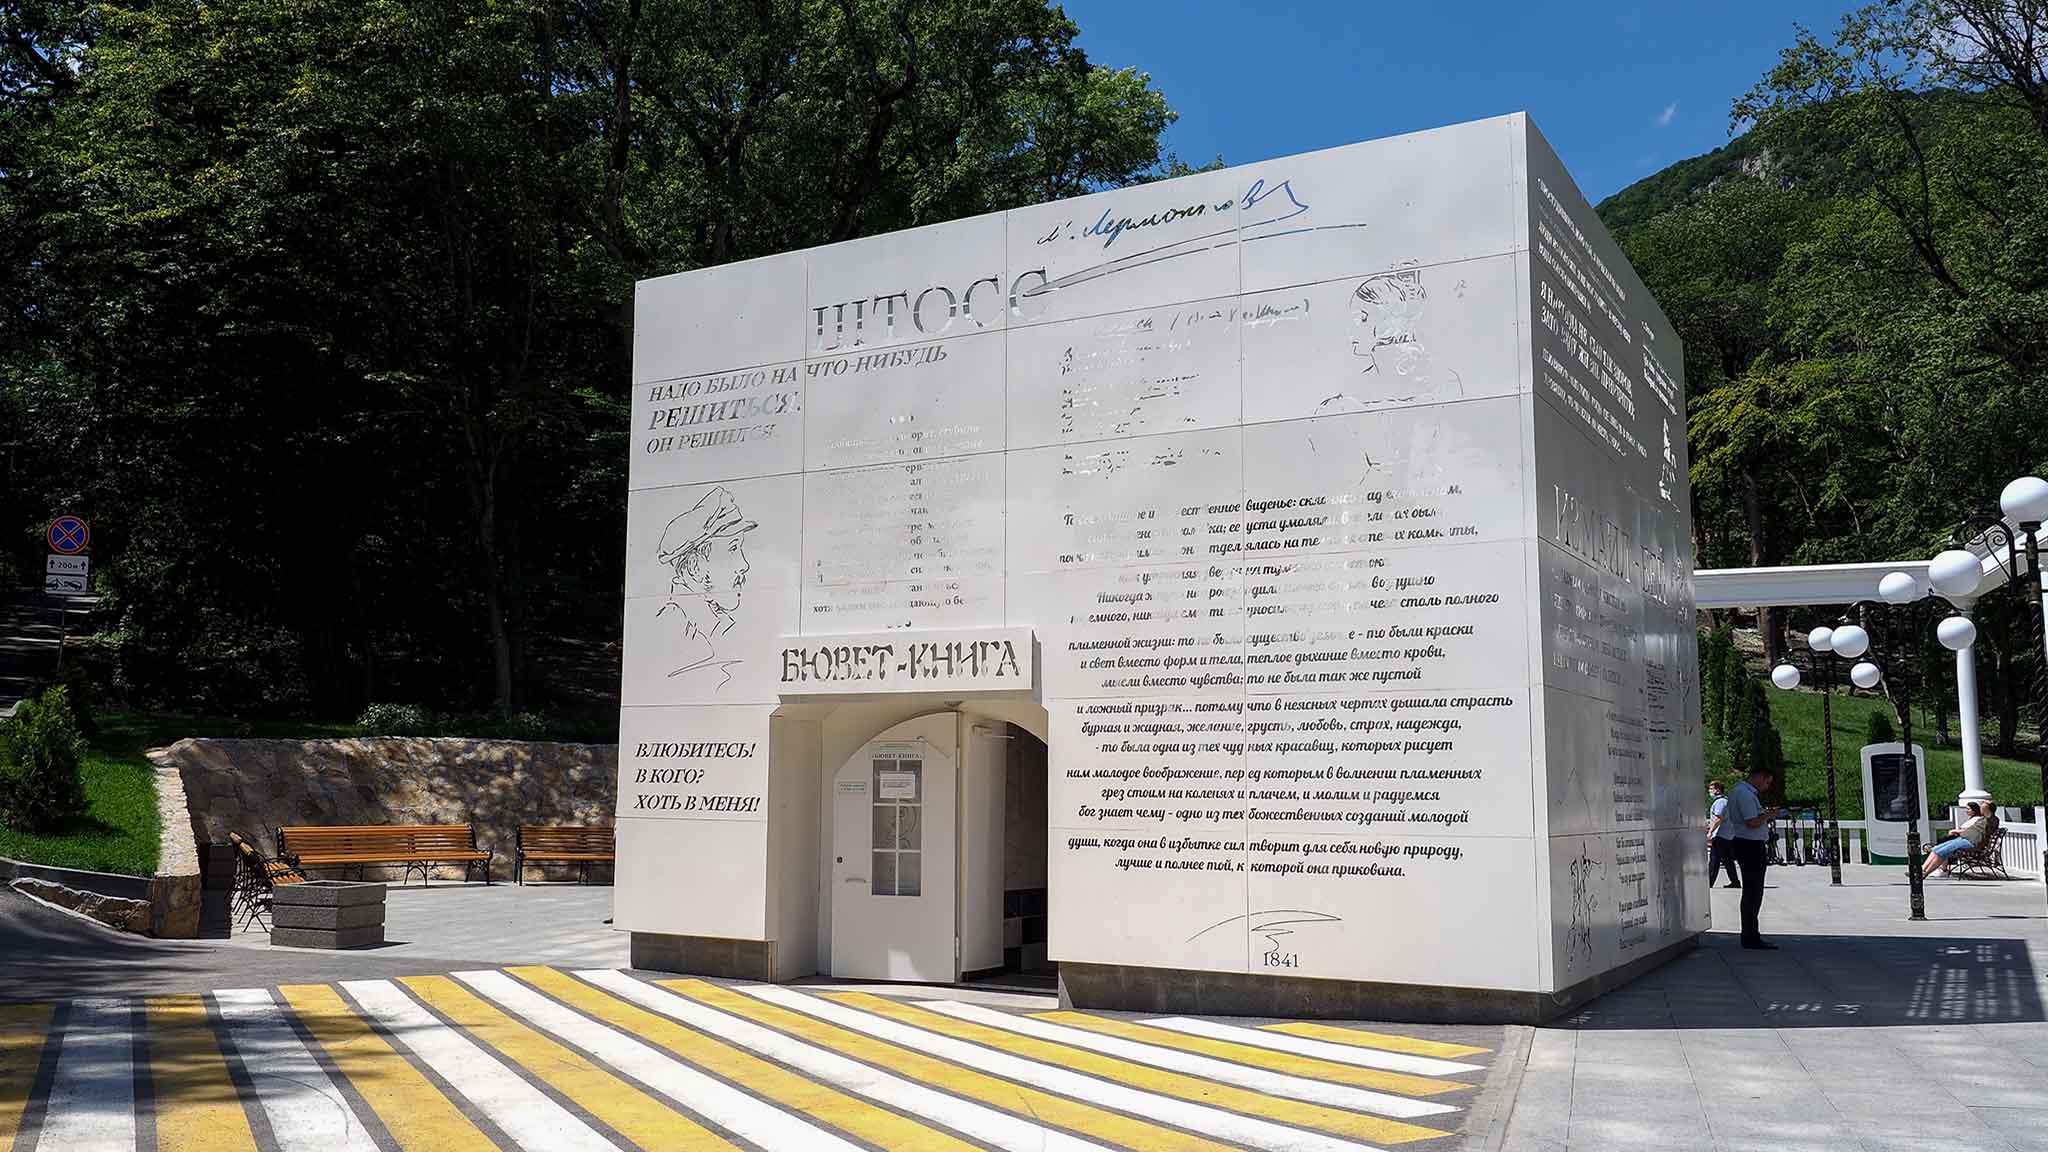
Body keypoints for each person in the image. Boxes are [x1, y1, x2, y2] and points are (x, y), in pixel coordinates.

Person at [1712, 765, 1778, 949]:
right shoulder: (1746, 794)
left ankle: (1750, 934)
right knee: (1753, 891)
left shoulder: (1738, 791)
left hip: (1745, 843)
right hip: (1750, 845)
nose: (1766, 787)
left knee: (1751, 890)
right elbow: (1752, 822)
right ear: (1759, 777)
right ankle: (1750, 936)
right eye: (1767, 782)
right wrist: (1769, 815)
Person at [1922, 800, 1996, 877]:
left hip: (1971, 842)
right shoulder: (1982, 819)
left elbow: (1986, 809)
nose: (1981, 808)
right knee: (1936, 849)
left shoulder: (1991, 820)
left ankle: (1925, 873)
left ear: (1989, 809)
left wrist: (1987, 803)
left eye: (1983, 807)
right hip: (1963, 839)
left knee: (1941, 852)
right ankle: (1922, 870)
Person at [1706, 781, 1740, 888]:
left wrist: (1710, 832)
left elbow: (1718, 818)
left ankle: (1709, 882)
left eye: (1711, 789)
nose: (1709, 791)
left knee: (1714, 859)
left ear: (1717, 790)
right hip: (1728, 835)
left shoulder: (1719, 802)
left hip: (1720, 834)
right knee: (1728, 860)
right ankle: (1735, 882)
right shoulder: (1726, 801)